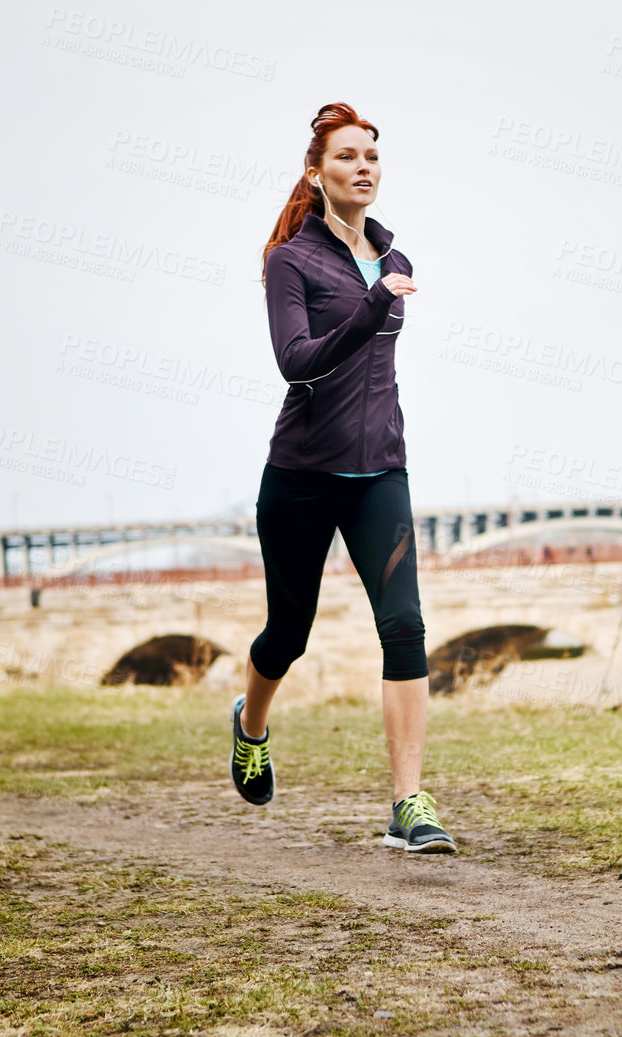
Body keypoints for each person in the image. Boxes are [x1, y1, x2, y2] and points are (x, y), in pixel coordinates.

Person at [227, 101, 454, 855]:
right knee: (287, 635)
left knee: (405, 624)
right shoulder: (290, 260)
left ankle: (408, 804)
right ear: (316, 173)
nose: (364, 168)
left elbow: (374, 368)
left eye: (373, 157)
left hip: (380, 471)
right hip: (301, 474)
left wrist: (381, 292)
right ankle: (250, 725)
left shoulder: (397, 262)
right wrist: (370, 306)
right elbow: (295, 361)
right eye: (348, 157)